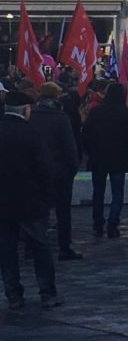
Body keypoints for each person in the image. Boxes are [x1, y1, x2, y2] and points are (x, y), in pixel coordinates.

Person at [0, 90, 61, 310]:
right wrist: (47, 197)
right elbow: (45, 169)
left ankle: (13, 294)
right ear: (26, 110)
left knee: (6, 250)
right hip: (31, 201)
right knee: (39, 248)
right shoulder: (31, 134)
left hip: (3, 203)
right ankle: (47, 292)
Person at [29, 83, 81, 261]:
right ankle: (64, 247)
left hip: (35, 171)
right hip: (59, 172)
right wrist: (72, 169)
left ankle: (32, 246)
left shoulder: (31, 117)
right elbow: (70, 148)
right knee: (63, 211)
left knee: (36, 211)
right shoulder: (60, 118)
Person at [82, 83, 128, 239]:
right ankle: (113, 224)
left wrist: (90, 153)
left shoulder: (96, 112)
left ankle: (98, 223)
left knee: (98, 192)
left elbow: (86, 135)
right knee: (117, 193)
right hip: (119, 158)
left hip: (98, 157)